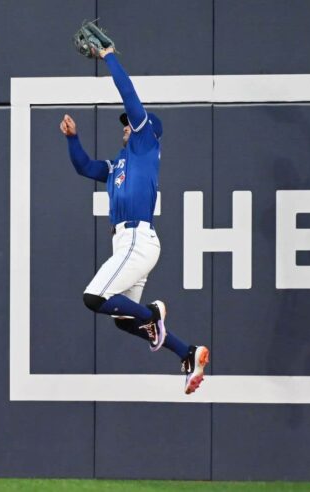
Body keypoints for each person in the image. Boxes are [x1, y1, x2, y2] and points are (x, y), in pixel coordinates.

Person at [58, 46, 209, 394]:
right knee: (122, 320)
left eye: (130, 123)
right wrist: (72, 139)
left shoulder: (145, 144)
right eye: (126, 124)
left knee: (94, 297)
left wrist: (109, 56)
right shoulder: (117, 165)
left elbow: (129, 95)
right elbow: (84, 167)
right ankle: (188, 353)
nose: (126, 126)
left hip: (138, 240)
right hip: (128, 243)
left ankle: (153, 313)